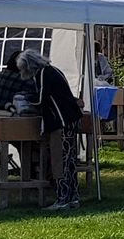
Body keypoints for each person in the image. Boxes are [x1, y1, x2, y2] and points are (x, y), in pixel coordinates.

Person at [16, 47, 83, 210]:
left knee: (60, 160)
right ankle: (73, 196)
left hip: (60, 121)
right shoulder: (54, 70)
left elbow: (41, 100)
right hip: (71, 118)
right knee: (70, 161)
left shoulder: (43, 74)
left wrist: (23, 102)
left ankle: (62, 199)